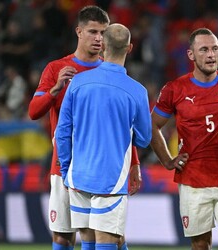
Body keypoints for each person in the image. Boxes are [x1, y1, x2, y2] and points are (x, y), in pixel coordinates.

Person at [28, 6, 140, 250]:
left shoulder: (111, 71)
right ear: (79, 31)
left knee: (106, 235)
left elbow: (123, 125)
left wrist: (134, 163)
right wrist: (55, 90)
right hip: (64, 165)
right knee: (62, 236)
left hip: (103, 168)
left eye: (103, 32)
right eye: (93, 32)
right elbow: (34, 111)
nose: (99, 38)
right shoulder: (56, 69)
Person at [55, 23, 152, 250]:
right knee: (108, 242)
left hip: (78, 176)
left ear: (103, 47)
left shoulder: (77, 82)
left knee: (89, 241)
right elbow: (144, 139)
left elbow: (63, 131)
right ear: (129, 48)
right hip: (112, 179)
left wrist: (66, 169)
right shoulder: (137, 91)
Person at [150, 27, 218, 250]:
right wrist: (167, 161)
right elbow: (152, 125)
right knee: (200, 246)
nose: (211, 55)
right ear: (191, 55)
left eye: (215, 49)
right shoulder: (175, 89)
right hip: (193, 181)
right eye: (204, 50)